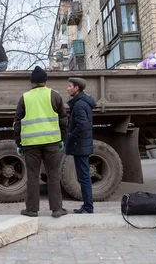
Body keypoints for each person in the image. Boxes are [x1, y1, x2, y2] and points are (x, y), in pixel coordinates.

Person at [13, 66, 69, 218]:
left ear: (32, 82)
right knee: (53, 175)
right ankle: (57, 209)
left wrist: (19, 143)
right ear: (46, 81)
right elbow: (63, 120)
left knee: (32, 176)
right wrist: (62, 139)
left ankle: (31, 210)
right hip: (52, 142)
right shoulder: (55, 95)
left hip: (30, 144)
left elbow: (17, 122)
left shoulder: (24, 97)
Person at [65, 77, 96, 214]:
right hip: (82, 144)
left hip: (80, 145)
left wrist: (71, 136)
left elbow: (82, 125)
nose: (67, 88)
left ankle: (88, 207)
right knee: (83, 177)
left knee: (84, 177)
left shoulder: (79, 105)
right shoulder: (81, 103)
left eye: (70, 86)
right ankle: (87, 206)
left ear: (77, 88)